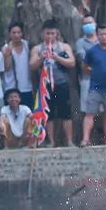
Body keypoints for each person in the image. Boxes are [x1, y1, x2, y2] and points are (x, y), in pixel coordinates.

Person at [30, 19, 75, 147]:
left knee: (66, 114)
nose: (50, 36)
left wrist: (57, 57)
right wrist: (41, 57)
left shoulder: (64, 47)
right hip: (46, 85)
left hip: (62, 83)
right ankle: (51, 141)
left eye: (52, 33)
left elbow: (72, 63)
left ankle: (69, 141)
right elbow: (32, 66)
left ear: (57, 34)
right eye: (47, 33)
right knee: (48, 115)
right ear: (43, 34)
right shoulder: (38, 48)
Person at [3, 21, 33, 108]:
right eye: (14, 33)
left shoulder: (27, 45)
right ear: (9, 34)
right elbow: (7, 68)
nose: (16, 35)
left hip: (27, 86)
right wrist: (7, 54)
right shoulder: (6, 48)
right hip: (12, 87)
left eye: (19, 32)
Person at [74, 14, 97, 113]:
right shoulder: (80, 42)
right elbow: (83, 59)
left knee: (105, 111)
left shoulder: (102, 39)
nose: (88, 25)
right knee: (88, 112)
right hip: (86, 79)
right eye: (85, 24)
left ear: (95, 24)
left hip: (104, 80)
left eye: (90, 23)